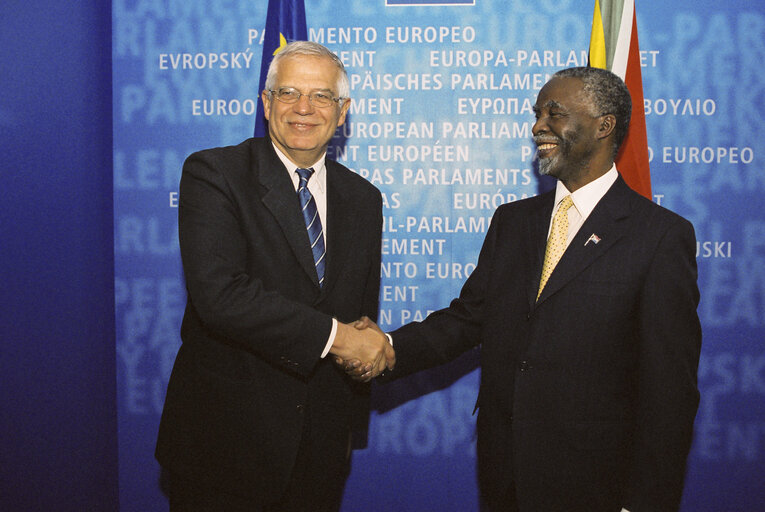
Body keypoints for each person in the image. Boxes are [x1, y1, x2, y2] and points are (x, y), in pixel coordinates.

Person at [348, 67, 701, 512]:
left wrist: (644, 502)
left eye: (554, 113)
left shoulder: (659, 236)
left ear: (604, 125)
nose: (538, 126)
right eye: (537, 114)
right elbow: (467, 319)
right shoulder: (513, 222)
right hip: (505, 474)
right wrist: (389, 348)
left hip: (597, 486)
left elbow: (670, 393)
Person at [156, 41, 394, 512]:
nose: (304, 108)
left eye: (322, 96)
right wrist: (343, 340)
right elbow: (222, 297)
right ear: (266, 105)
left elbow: (360, 312)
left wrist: (352, 411)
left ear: (342, 112)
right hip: (224, 450)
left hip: (320, 450)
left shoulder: (364, 198)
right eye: (288, 92)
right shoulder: (215, 172)